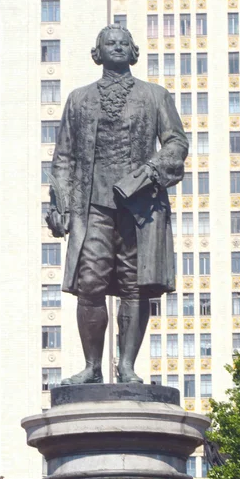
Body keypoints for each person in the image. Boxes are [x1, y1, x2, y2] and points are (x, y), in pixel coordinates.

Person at [46, 24, 188, 385]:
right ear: (98, 52)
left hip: (141, 209)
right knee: (89, 283)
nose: (119, 46)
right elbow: (63, 156)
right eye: (111, 42)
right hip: (92, 205)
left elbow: (176, 144)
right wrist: (59, 203)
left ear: (134, 50)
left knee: (134, 285)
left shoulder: (155, 95)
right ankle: (92, 367)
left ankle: (126, 366)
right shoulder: (79, 99)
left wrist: (148, 172)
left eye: (125, 42)